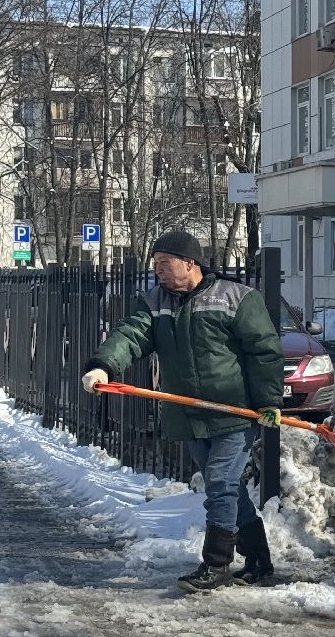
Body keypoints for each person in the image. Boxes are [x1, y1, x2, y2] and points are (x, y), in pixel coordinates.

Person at [81, 231, 284, 592]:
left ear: (189, 263)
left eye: (164, 262)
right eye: (155, 263)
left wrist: (268, 400)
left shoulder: (236, 297)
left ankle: (217, 564)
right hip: (190, 414)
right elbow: (131, 336)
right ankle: (258, 559)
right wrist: (104, 366)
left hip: (234, 412)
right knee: (227, 489)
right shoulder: (154, 302)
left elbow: (264, 350)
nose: (157, 270)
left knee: (220, 483)